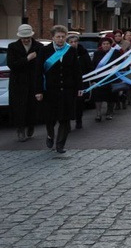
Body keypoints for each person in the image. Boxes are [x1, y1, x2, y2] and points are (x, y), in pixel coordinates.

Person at [35, 25, 83, 154]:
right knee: (50, 118)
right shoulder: (44, 51)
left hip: (67, 90)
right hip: (50, 90)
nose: (61, 39)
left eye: (63, 37)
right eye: (58, 37)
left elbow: (76, 71)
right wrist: (38, 91)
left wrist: (80, 87)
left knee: (65, 119)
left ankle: (60, 144)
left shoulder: (71, 51)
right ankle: (50, 135)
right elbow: (38, 72)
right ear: (53, 38)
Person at [7, 24, 45, 142]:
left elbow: (42, 63)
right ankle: (20, 129)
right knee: (19, 106)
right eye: (24, 38)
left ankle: (31, 125)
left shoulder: (38, 46)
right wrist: (27, 59)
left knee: (32, 105)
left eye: (28, 37)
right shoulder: (13, 47)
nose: (26, 40)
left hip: (34, 80)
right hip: (18, 82)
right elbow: (11, 64)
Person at [91, 36, 122, 122]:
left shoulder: (115, 52)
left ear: (111, 45)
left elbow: (121, 63)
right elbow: (93, 65)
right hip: (99, 79)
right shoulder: (97, 53)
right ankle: (98, 114)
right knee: (98, 97)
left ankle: (109, 112)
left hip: (111, 78)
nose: (105, 45)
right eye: (104, 44)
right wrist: (93, 80)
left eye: (107, 44)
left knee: (111, 97)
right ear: (101, 45)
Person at [67, 32, 93, 129]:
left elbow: (89, 66)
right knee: (68, 102)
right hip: (68, 82)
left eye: (75, 42)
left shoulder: (83, 52)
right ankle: (67, 122)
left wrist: (91, 78)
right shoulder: (64, 53)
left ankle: (79, 120)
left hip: (81, 81)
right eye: (71, 42)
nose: (73, 43)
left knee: (79, 102)